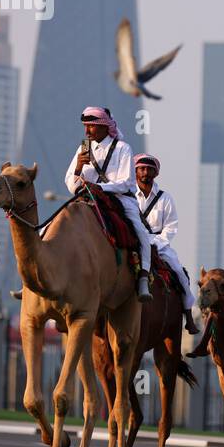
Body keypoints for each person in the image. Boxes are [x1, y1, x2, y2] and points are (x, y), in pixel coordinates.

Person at [64, 106, 152, 302]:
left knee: (141, 233)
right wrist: (79, 166)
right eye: (85, 127)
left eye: (91, 127)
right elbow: (71, 183)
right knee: (55, 225)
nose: (86, 132)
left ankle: (143, 278)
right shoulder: (83, 148)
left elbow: (127, 182)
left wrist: (101, 188)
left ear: (104, 127)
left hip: (119, 199)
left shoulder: (122, 148)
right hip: (88, 198)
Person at [133, 154, 196, 333]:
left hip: (158, 244)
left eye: (149, 169)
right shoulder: (127, 194)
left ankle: (188, 315)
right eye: (142, 169)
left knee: (179, 272)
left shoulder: (164, 198)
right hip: (133, 240)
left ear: (156, 173)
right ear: (136, 171)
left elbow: (171, 227)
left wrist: (155, 245)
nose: (145, 172)